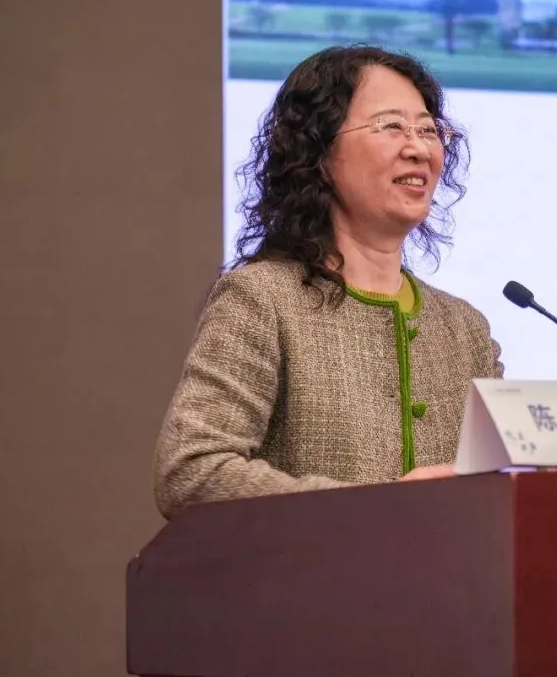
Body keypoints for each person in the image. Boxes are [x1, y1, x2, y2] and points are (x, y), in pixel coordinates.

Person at [152, 45, 503, 520]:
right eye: (391, 126)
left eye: (428, 130)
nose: (419, 149)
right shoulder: (262, 300)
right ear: (318, 153)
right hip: (307, 570)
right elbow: (192, 472)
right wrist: (371, 507)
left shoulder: (465, 329)